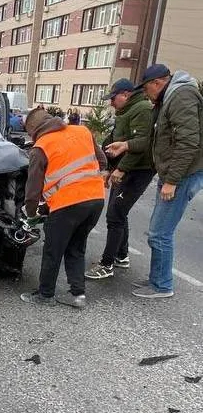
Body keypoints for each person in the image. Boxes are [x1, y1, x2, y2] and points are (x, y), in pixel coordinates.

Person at [106, 64, 203, 299]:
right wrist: (127, 145)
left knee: (160, 233)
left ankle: (162, 285)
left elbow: (188, 142)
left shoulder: (181, 96)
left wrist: (172, 180)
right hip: (175, 173)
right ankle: (156, 278)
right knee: (157, 232)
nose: (145, 94)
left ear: (157, 83)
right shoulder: (169, 97)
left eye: (146, 88)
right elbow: (155, 138)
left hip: (182, 175)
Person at [20, 108, 106, 308]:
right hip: (96, 199)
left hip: (67, 205)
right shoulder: (82, 131)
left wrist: (31, 214)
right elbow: (102, 161)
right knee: (76, 247)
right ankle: (78, 295)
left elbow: (32, 190)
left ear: (33, 130)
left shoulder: (41, 147)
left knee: (53, 250)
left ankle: (45, 295)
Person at [85, 78, 154, 280]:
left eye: (113, 99)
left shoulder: (142, 109)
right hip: (125, 169)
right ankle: (122, 256)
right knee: (118, 212)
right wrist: (107, 167)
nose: (111, 103)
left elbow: (141, 145)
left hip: (138, 170)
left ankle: (107, 264)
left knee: (115, 214)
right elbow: (114, 141)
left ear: (125, 95)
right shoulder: (125, 112)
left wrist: (121, 170)